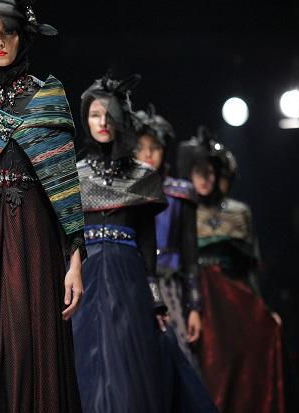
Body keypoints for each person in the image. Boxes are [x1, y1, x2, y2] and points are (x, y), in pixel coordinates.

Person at [0, 1, 86, 411]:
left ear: (23, 37)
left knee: (30, 343)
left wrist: (75, 264)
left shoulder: (48, 98)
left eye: (6, 32)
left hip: (34, 237)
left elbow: (66, 190)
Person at [72, 74, 217, 413]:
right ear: (85, 119)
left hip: (127, 279)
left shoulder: (143, 177)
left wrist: (155, 299)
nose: (102, 122)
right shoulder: (73, 175)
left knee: (128, 368)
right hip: (84, 277)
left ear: (121, 119)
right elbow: (67, 234)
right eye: (94, 114)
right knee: (83, 363)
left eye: (109, 114)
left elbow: (148, 241)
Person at [178, 130, 285, 413]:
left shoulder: (239, 212)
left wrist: (263, 307)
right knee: (206, 367)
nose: (205, 178)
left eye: (210, 171)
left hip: (232, 298)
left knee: (238, 365)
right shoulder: (182, 209)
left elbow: (250, 267)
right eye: (198, 171)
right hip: (197, 296)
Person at [135, 105, 202, 369]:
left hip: (172, 290)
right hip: (133, 284)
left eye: (155, 147)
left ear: (164, 150)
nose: (147, 154)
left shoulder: (180, 194)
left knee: (177, 358)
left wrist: (194, 306)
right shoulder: (125, 191)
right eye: (140, 147)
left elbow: (190, 254)